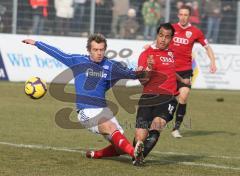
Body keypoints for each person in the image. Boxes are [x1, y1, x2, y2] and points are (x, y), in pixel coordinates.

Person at [22, 33, 148, 166]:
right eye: (95, 50)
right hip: (86, 111)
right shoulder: (78, 61)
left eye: (101, 50)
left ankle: (95, 154)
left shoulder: (111, 66)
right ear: (89, 50)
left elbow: (132, 74)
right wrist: (37, 43)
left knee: (119, 147)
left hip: (104, 110)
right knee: (112, 129)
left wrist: (142, 71)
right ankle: (135, 154)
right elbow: (58, 53)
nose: (99, 53)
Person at [133, 23, 190, 160]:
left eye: (167, 37)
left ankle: (139, 158)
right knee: (140, 136)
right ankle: (137, 149)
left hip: (168, 98)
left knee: (156, 127)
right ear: (156, 36)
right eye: (161, 36)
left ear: (171, 39)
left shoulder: (172, 53)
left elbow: (170, 70)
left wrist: (182, 79)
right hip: (148, 96)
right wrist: (150, 68)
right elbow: (142, 81)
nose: (163, 39)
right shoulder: (146, 54)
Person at [170, 5, 217, 138]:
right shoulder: (171, 28)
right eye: (181, 14)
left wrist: (213, 62)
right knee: (168, 99)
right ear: (178, 15)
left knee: (183, 96)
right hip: (170, 69)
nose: (183, 17)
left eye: (186, 15)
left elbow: (207, 47)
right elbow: (161, 42)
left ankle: (176, 128)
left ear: (189, 16)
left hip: (185, 70)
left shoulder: (195, 32)